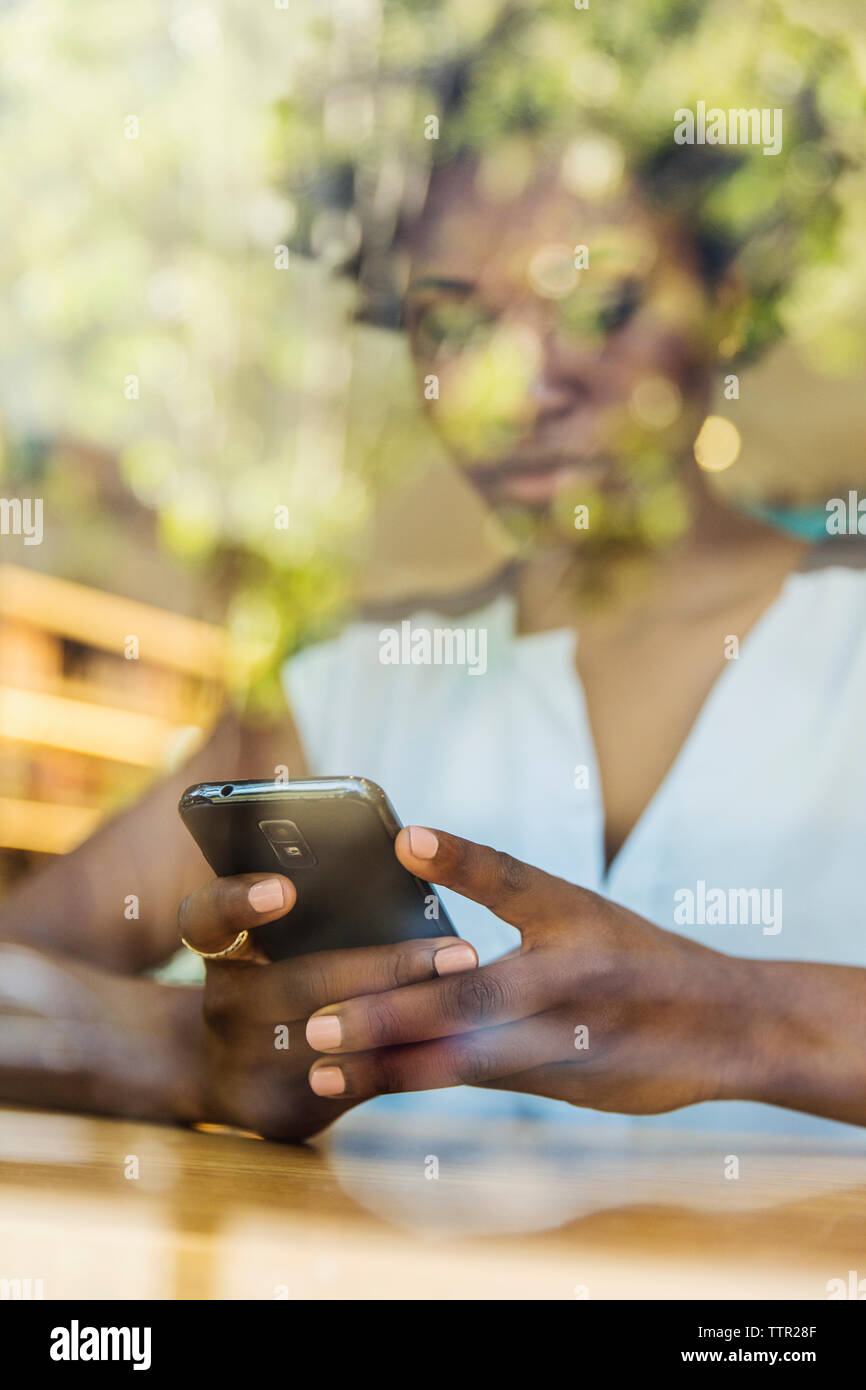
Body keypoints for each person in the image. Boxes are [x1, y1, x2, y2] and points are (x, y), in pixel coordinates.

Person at [2, 139, 866, 1148]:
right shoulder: (342, 691)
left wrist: (739, 1018)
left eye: (598, 305)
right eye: (452, 321)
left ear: (726, 301)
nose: (521, 385)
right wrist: (186, 1052)